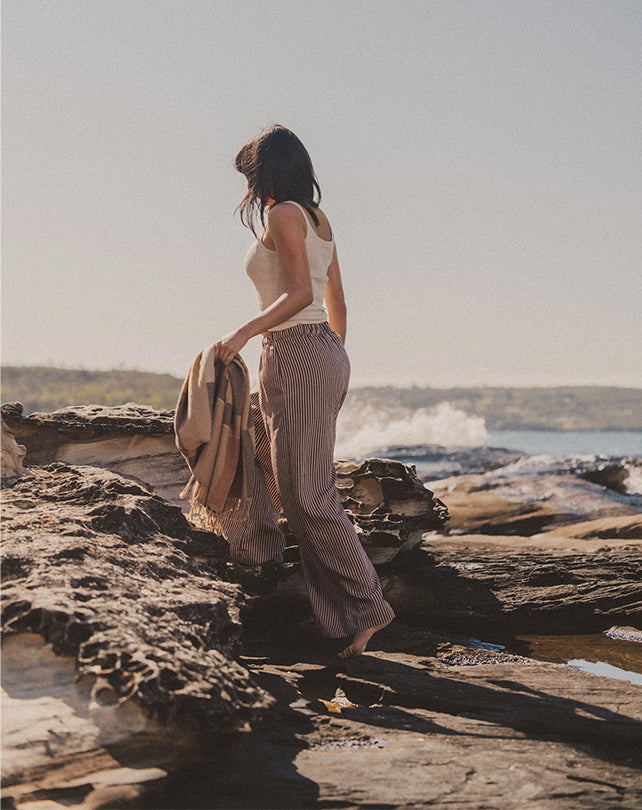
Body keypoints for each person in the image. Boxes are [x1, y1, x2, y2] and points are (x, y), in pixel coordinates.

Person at [214, 124, 394, 658]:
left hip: (296, 352)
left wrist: (243, 333)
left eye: (249, 173)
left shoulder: (285, 215)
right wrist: (332, 354)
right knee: (285, 479)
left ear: (264, 173)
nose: (247, 185)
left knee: (311, 495)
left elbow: (297, 294)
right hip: (310, 352)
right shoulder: (317, 217)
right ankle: (331, 610)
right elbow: (336, 303)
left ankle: (368, 610)